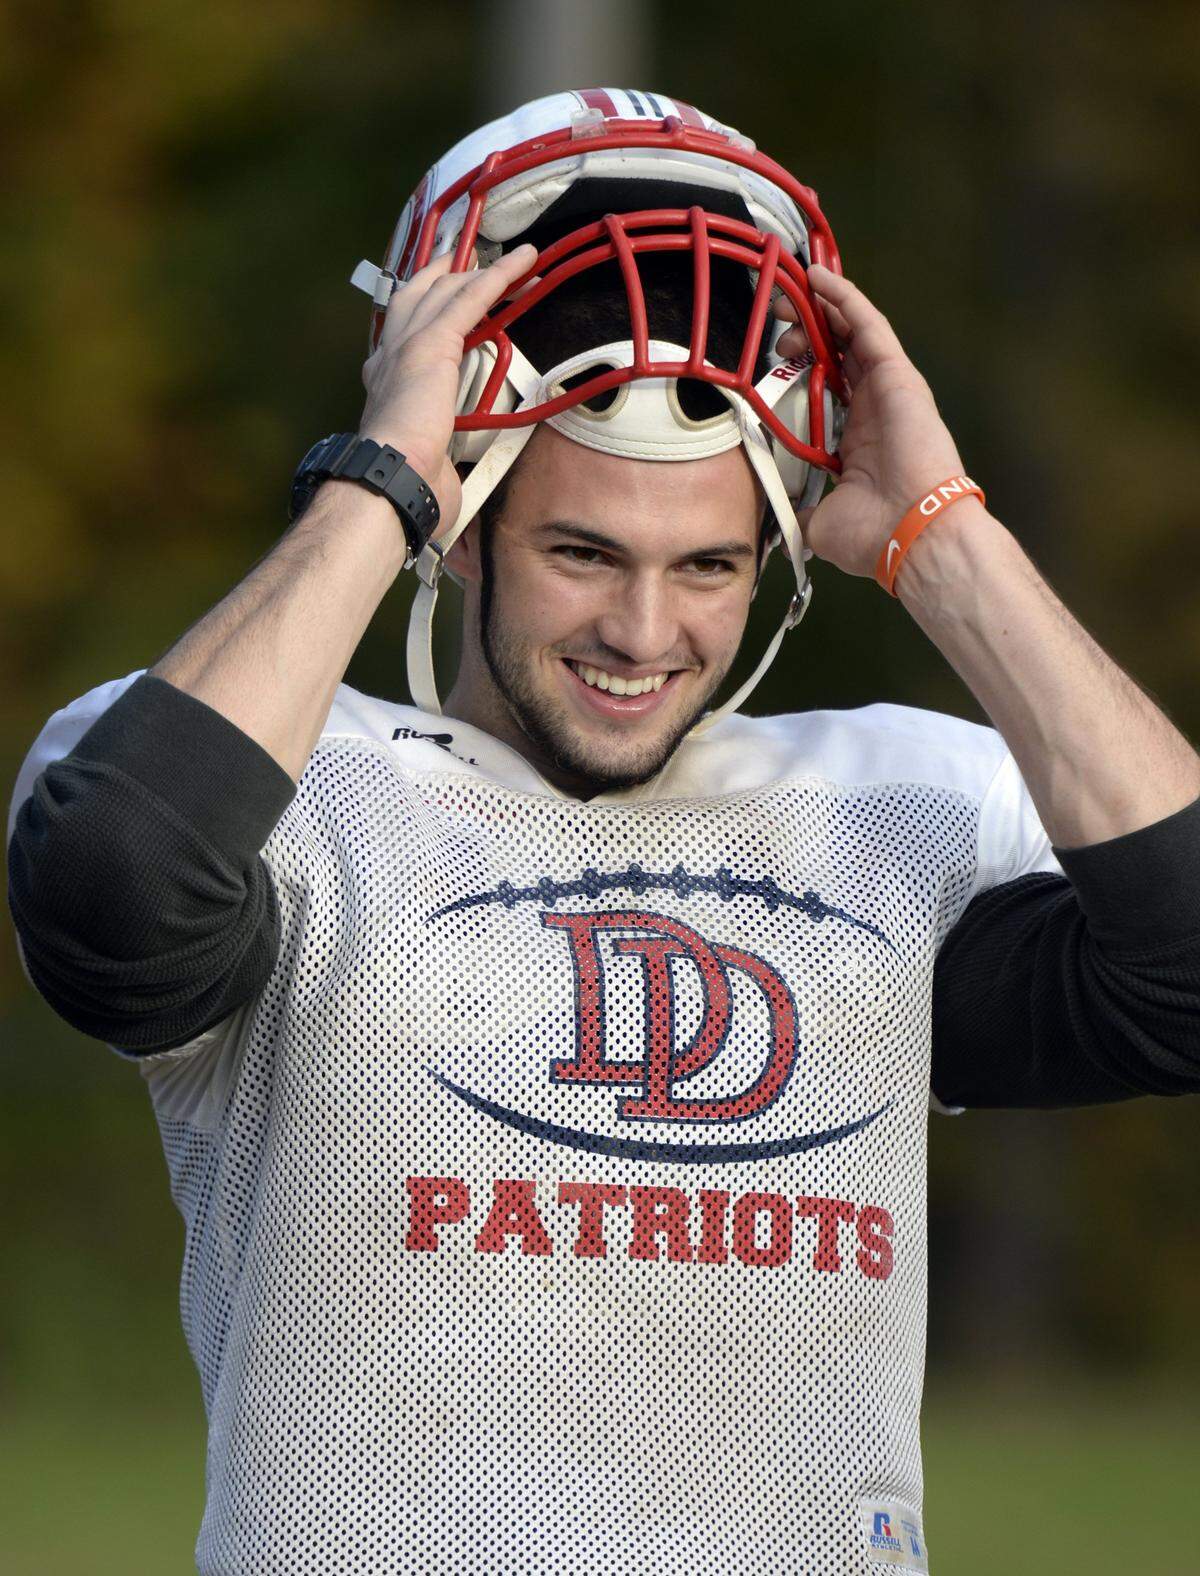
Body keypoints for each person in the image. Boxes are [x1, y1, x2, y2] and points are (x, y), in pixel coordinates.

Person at [7, 89, 1200, 1576]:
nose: (646, 630)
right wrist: (379, 480)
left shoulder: (881, 818)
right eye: (581, 550)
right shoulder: (298, 793)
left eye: (708, 563)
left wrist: (942, 534)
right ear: (466, 512)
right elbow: (117, 887)